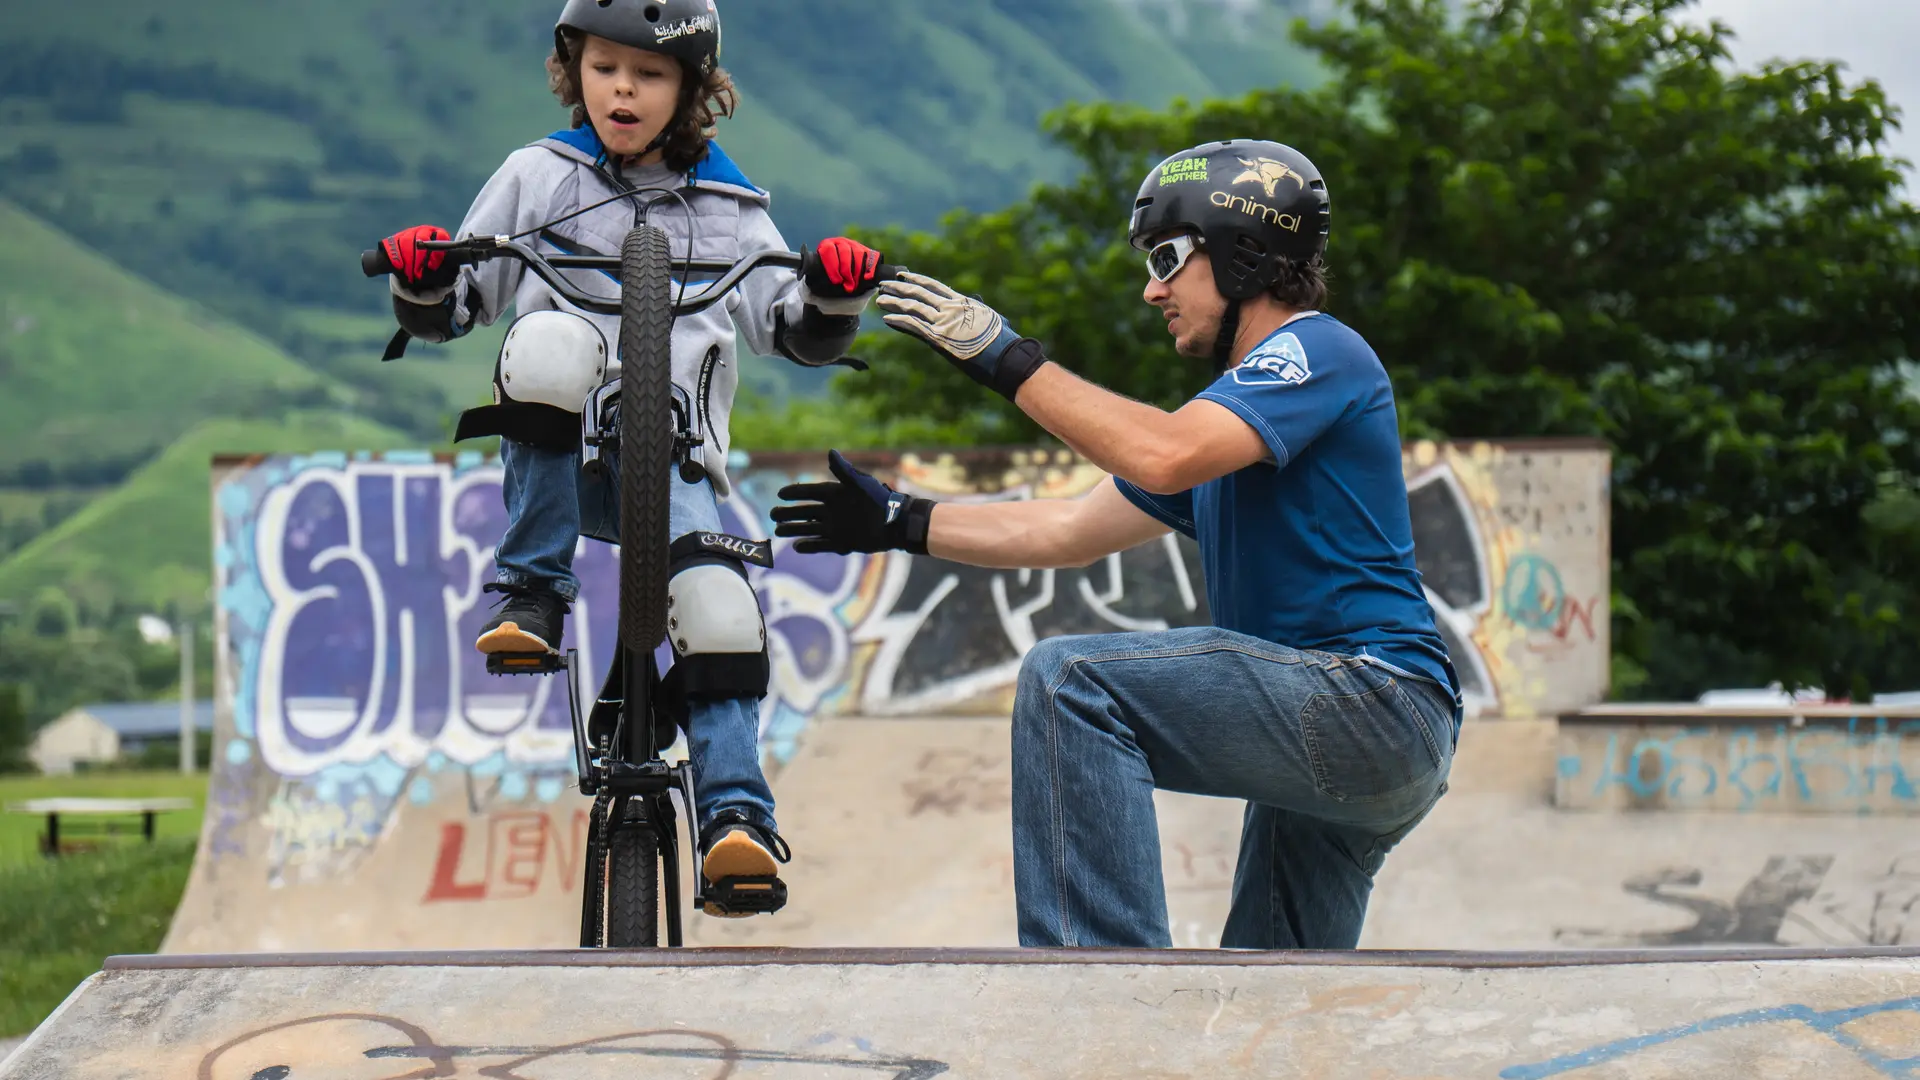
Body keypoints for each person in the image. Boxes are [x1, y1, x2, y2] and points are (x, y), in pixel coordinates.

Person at [771, 139, 1462, 950]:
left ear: (1246, 256)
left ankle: (1103, 988)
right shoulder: (1233, 429)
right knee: (1269, 998)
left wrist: (1002, 354)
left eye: (1168, 258)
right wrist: (902, 522)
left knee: (1070, 684)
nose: (1151, 289)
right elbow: (1067, 529)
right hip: (1351, 732)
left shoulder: (1316, 351)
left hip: (1370, 700)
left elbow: (1162, 450)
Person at [372, 0, 888, 914]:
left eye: (650, 74)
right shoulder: (537, 177)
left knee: (723, 611)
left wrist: (833, 293)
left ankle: (736, 819)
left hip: (678, 465)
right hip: (562, 458)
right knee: (548, 345)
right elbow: (458, 302)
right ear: (575, 70)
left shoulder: (732, 206)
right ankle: (532, 592)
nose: (625, 88)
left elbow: (789, 327)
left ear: (689, 90)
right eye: (606, 67)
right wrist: (423, 274)